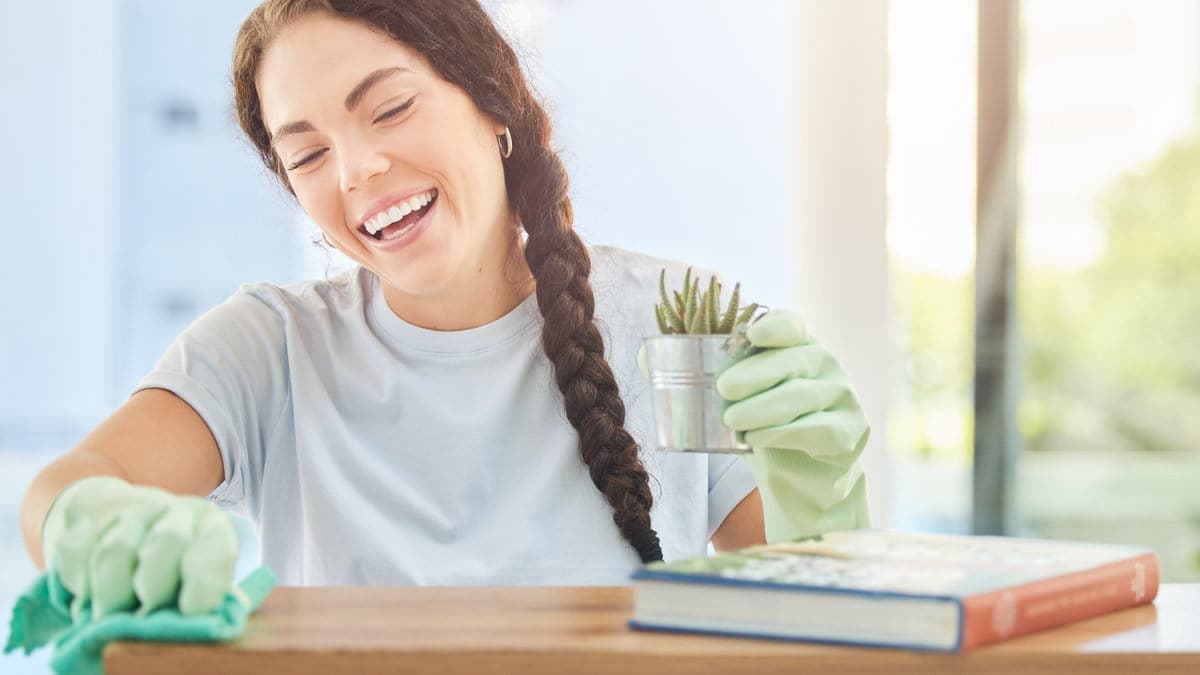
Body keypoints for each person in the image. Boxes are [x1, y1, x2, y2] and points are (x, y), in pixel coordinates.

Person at [19, 0, 870, 618]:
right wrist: (85, 521)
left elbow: (818, 624)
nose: (354, 170)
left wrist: (824, 507)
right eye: (307, 153)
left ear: (492, 103)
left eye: (388, 107)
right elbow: (67, 488)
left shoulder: (675, 321)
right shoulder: (271, 347)